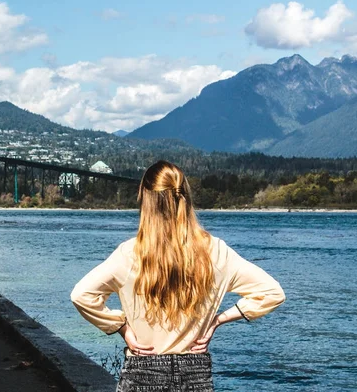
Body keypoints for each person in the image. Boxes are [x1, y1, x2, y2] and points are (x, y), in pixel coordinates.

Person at [71, 160, 285, 391]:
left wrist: (122, 328)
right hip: (195, 372)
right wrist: (218, 320)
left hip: (143, 369)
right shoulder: (216, 251)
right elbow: (272, 292)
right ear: (185, 195)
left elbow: (82, 295)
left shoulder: (129, 254)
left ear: (145, 199)